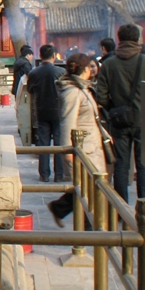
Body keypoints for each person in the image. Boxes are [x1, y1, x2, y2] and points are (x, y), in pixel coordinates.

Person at [96, 24, 145, 202]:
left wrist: (114, 109)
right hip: (144, 119)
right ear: (137, 39)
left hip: (119, 120)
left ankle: (121, 207)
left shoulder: (108, 64)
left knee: (121, 165)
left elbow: (101, 96)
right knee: (143, 165)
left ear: (119, 39)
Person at [47, 53, 107, 227]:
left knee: (89, 188)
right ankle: (87, 228)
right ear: (86, 69)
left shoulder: (82, 88)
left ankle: (61, 209)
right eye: (91, 67)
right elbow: (68, 122)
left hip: (91, 146)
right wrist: (68, 151)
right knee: (87, 189)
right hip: (83, 149)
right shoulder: (72, 92)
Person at [26, 44, 65, 183]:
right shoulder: (61, 72)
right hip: (59, 111)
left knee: (43, 144)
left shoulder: (34, 73)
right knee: (59, 144)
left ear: (40, 56)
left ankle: (44, 174)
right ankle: (59, 174)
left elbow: (30, 90)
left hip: (41, 110)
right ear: (54, 55)